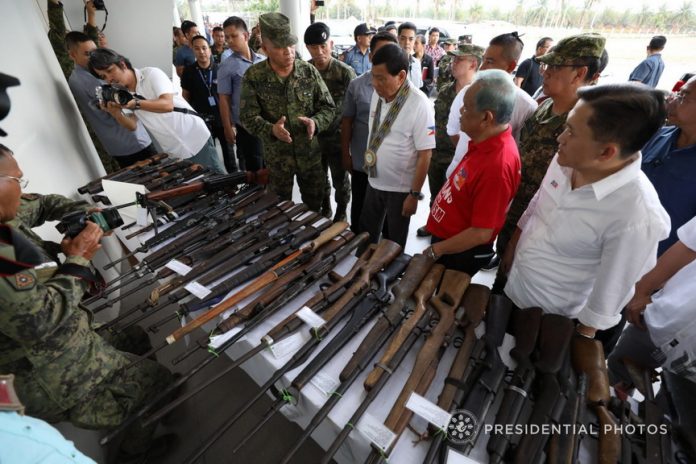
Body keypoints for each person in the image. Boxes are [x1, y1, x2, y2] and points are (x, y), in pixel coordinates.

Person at [0, 147, 175, 461]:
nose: (21, 188)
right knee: (158, 381)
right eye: (17, 181)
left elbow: (41, 204)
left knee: (134, 336)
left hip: (63, 336)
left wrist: (81, 213)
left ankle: (138, 402)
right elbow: (39, 323)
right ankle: (136, 452)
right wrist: (77, 258)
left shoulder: (6, 216)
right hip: (44, 373)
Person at [502, 84, 670, 351]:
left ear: (606, 152)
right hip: (514, 286)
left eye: (571, 131)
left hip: (552, 322)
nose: (560, 138)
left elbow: (609, 295)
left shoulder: (637, 217)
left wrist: (573, 342)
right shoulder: (567, 159)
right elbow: (537, 204)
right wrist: (512, 246)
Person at [492, 33, 607, 285]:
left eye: (554, 67)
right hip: (514, 212)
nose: (544, 72)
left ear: (579, 74)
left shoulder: (587, 125)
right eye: (546, 65)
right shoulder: (544, 105)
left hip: (543, 230)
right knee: (501, 286)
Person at [607, 215, 696, 460]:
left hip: (691, 374)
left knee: (669, 438)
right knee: (605, 391)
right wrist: (643, 290)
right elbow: (687, 248)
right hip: (661, 320)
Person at [424, 70, 521, 275]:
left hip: (458, 253)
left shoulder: (497, 166)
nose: (460, 112)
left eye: (466, 108)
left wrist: (436, 250)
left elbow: (481, 232)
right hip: (449, 241)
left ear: (486, 118)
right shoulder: (483, 141)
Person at [239, 13, 335, 211]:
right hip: (278, 160)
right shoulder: (254, 77)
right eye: (280, 47)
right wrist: (271, 130)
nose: (289, 52)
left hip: (310, 156)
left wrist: (316, 122)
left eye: (291, 45)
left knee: (316, 207)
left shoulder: (308, 71)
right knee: (278, 209)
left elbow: (328, 107)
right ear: (265, 49)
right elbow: (247, 116)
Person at [89, 48, 226, 173]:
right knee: (202, 186)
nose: (109, 79)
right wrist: (115, 113)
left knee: (220, 180)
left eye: (110, 71)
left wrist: (135, 104)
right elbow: (131, 125)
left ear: (122, 64)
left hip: (193, 136)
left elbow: (167, 105)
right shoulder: (121, 94)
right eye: (103, 77)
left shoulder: (151, 74)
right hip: (174, 150)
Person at [358, 43, 435, 249]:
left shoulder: (420, 104)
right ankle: (360, 270)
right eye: (373, 76)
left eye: (381, 78)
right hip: (374, 181)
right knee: (366, 234)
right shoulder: (378, 94)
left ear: (401, 76)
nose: (374, 83)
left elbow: (425, 154)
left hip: (400, 191)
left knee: (393, 242)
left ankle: (387, 278)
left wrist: (414, 195)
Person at [445, 32, 538, 180]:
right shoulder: (467, 91)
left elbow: (517, 152)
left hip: (489, 180)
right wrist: (469, 157)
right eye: (483, 60)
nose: (481, 68)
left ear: (511, 66)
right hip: (458, 173)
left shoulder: (527, 106)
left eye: (489, 61)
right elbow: (453, 131)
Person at [417, 43, 484, 238]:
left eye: (459, 59)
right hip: (437, 152)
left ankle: (448, 235)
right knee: (435, 195)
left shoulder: (480, 95)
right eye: (453, 58)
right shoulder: (445, 90)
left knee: (455, 201)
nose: (452, 63)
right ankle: (432, 223)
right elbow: (435, 122)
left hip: (460, 157)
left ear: (473, 64)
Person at [64, 32, 156, 169]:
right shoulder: (88, 80)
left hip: (120, 143)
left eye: (95, 52)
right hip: (131, 140)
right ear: (72, 55)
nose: (93, 57)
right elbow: (125, 104)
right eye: (87, 54)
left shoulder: (78, 77)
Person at [341, 32, 398, 233]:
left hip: (392, 166)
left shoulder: (405, 89)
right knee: (361, 212)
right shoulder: (357, 85)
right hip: (363, 164)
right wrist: (345, 154)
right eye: (380, 52)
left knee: (390, 220)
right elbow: (347, 121)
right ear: (371, 56)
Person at [304, 22, 355, 221]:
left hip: (337, 138)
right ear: (308, 48)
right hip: (314, 137)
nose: (320, 52)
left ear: (331, 44)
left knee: (340, 180)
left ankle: (342, 211)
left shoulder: (344, 72)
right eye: (314, 47)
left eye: (323, 46)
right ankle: (326, 207)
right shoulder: (305, 70)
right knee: (319, 178)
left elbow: (355, 108)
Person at [641, 75, 696, 256]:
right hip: (618, 248)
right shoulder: (656, 136)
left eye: (682, 97)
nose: (671, 102)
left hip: (658, 270)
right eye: (676, 94)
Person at [181, 35, 238, 173]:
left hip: (221, 117)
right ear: (193, 51)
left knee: (229, 151)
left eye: (204, 48)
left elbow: (229, 98)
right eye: (197, 49)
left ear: (209, 50)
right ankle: (215, 179)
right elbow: (185, 97)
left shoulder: (220, 69)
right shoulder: (188, 72)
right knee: (209, 153)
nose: (201, 52)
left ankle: (234, 178)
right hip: (201, 120)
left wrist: (231, 123)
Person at [218, 16, 266, 173]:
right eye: (227, 37)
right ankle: (258, 197)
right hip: (247, 127)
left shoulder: (263, 61)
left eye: (233, 36)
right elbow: (224, 99)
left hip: (268, 122)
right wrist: (227, 127)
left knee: (270, 165)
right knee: (255, 168)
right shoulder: (227, 66)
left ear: (245, 36)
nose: (229, 41)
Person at [397, 22, 423, 89]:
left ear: (414, 40)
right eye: (403, 38)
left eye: (411, 39)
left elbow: (419, 87)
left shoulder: (417, 63)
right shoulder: (391, 63)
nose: (407, 42)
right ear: (398, 39)